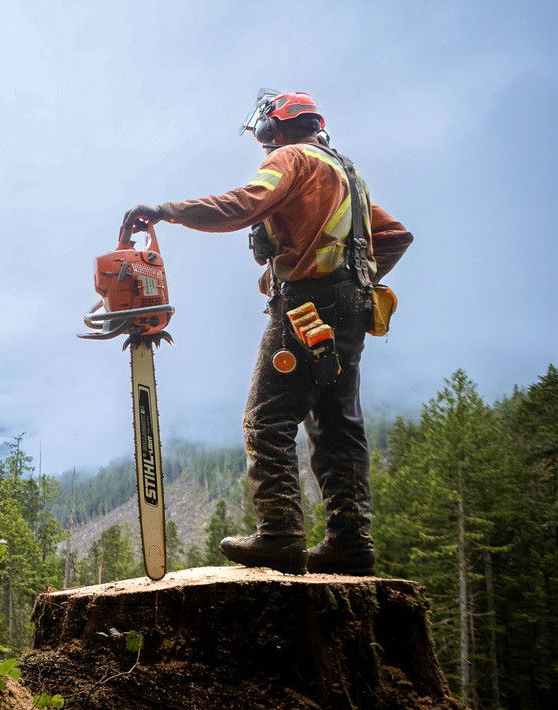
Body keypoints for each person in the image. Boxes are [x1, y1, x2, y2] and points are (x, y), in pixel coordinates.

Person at [122, 90, 412, 576]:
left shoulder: (290, 159)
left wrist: (167, 210)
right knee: (337, 425)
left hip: (306, 304)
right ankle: (350, 542)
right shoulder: (347, 172)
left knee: (267, 419)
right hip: (352, 305)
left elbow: (244, 204)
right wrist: (356, 276)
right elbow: (396, 235)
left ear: (271, 128)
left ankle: (280, 535)